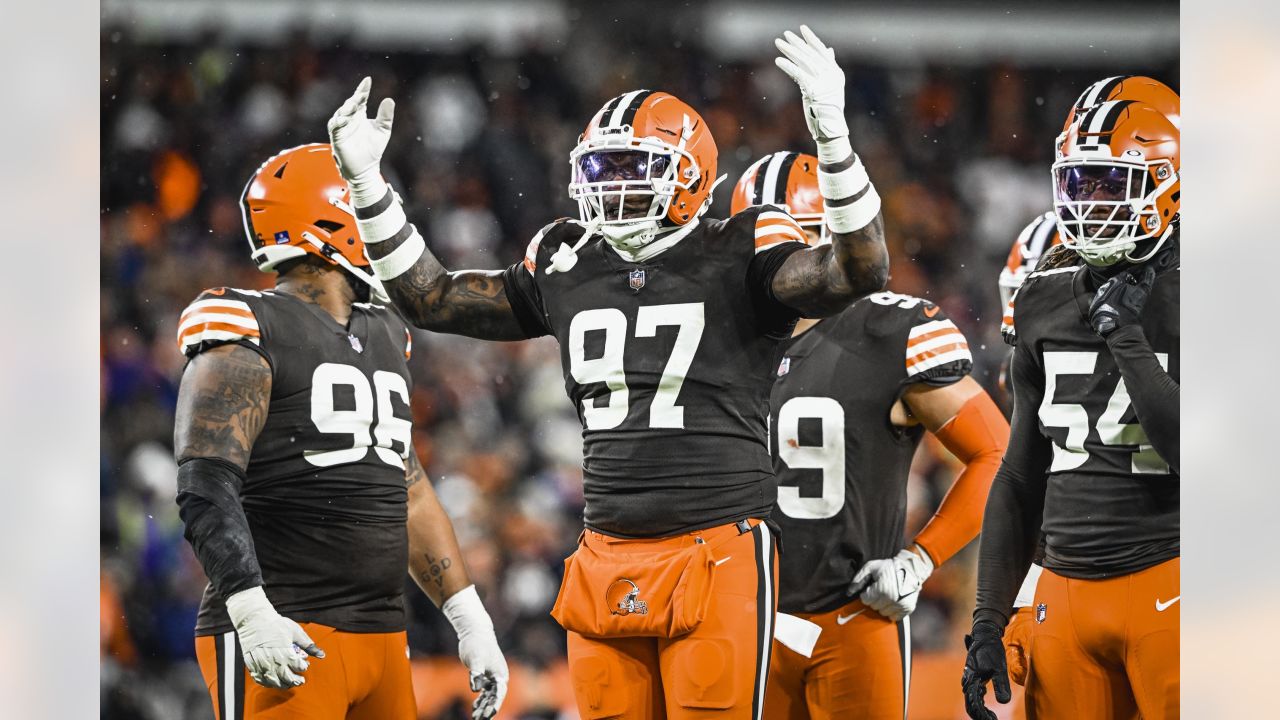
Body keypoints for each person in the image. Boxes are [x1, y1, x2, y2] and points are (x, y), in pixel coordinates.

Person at [325, 25, 888, 720]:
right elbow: (430, 297)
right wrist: (368, 187)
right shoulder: (568, 257)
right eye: (602, 168)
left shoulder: (742, 245)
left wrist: (834, 141)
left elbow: (859, 269)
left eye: (633, 167)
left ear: (690, 175)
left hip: (717, 549)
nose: (612, 186)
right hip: (604, 550)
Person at [173, 144, 508, 720]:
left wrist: (469, 618)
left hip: (380, 635)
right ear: (333, 220)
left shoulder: (384, 332)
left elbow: (409, 490)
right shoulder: (247, 325)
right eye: (367, 210)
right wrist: (251, 611)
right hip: (287, 628)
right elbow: (205, 484)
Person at [731, 152, 1009, 719]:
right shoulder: (712, 336)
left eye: (799, 242)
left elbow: (996, 454)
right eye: (763, 246)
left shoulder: (889, 333)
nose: (783, 265)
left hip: (852, 616)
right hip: (735, 617)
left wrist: (919, 561)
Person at [961, 98, 1181, 720]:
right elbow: (1021, 473)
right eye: (1079, 181)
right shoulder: (1043, 299)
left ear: (1169, 184)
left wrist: (1126, 335)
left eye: (1114, 183)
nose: (1091, 202)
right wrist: (989, 619)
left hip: (1175, 577)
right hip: (1065, 592)